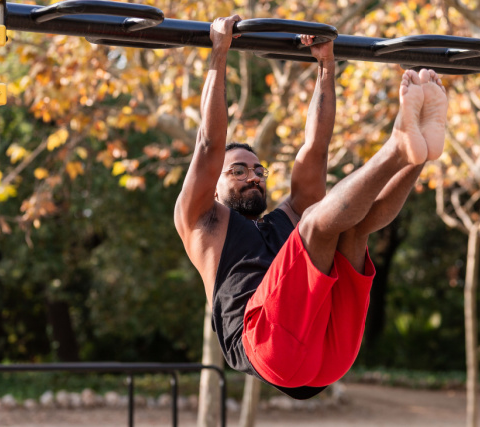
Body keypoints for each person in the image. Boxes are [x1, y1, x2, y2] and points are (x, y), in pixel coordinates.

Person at [174, 14, 448, 400]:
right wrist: (219, 54)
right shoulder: (203, 222)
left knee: (353, 227)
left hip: (331, 352)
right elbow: (208, 145)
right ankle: (399, 147)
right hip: (268, 348)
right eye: (237, 170)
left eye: (257, 170)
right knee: (318, 225)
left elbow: (315, 149)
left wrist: (325, 65)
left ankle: (417, 156)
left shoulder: (285, 217)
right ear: (214, 185)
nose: (252, 176)